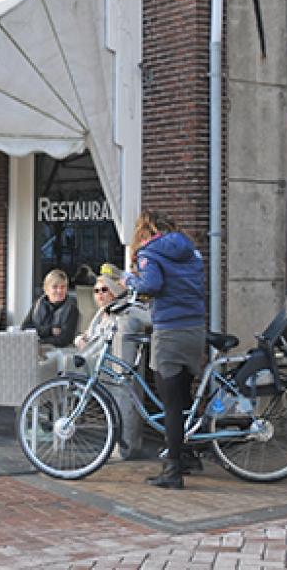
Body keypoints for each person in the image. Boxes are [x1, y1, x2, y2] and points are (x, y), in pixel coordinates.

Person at [126, 210, 206, 490]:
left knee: (170, 404)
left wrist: (129, 280)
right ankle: (187, 455)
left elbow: (151, 285)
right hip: (195, 330)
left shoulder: (150, 253)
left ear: (145, 232)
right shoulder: (191, 252)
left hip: (170, 332)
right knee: (184, 397)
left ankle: (173, 470)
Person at [72, 264, 151, 461]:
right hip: (102, 368)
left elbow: (149, 319)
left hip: (120, 369)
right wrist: (80, 339)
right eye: (96, 291)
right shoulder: (100, 314)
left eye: (104, 290)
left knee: (124, 403)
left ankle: (126, 447)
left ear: (114, 291)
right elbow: (90, 336)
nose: (99, 294)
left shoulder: (126, 311)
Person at [21, 269, 79, 348]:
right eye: (55, 287)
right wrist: (50, 331)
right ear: (46, 289)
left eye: (63, 287)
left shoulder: (72, 308)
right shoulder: (37, 305)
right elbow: (25, 329)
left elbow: (64, 339)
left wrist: (38, 340)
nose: (59, 291)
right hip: (35, 349)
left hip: (61, 352)